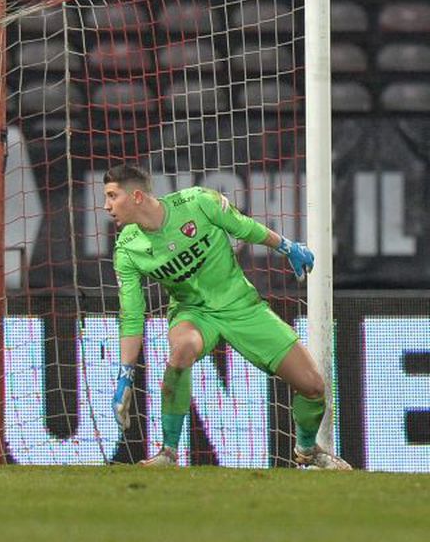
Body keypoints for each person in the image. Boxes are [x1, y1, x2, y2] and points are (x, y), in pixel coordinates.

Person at [102, 163, 350, 470]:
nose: (107, 206)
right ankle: (168, 453)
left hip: (240, 307)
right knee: (181, 349)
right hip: (192, 313)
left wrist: (287, 247)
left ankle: (308, 450)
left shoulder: (198, 203)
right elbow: (132, 315)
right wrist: (125, 374)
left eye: (112, 196)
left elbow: (245, 227)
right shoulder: (127, 249)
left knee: (313, 386)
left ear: (136, 196)